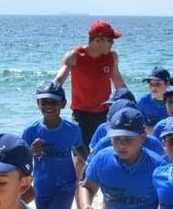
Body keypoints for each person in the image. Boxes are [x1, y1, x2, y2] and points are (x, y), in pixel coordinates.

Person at [53, 20, 126, 150]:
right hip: (81, 115)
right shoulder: (74, 56)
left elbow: (119, 84)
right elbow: (58, 81)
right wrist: (49, 97)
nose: (113, 44)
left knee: (105, 152)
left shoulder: (112, 57)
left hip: (105, 114)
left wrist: (130, 104)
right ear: (98, 40)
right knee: (81, 156)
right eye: (110, 40)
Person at [22, 81, 84, 209]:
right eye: (44, 102)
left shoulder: (72, 129)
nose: (49, 106)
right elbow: (20, 159)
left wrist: (93, 169)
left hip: (65, 187)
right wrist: (31, 151)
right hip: (42, 186)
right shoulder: (31, 131)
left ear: (63, 104)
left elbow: (82, 151)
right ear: (38, 104)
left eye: (53, 101)